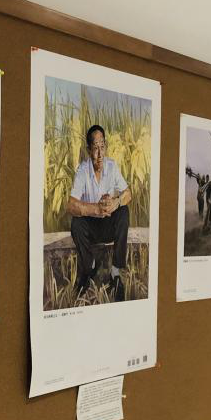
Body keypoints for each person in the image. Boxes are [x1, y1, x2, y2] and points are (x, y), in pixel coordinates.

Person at [67, 124, 131, 302]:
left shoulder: (112, 166)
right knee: (76, 223)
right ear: (89, 150)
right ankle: (90, 267)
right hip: (91, 227)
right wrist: (95, 209)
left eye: (102, 146)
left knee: (124, 212)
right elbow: (71, 205)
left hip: (108, 224)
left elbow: (128, 193)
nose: (100, 153)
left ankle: (115, 272)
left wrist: (115, 203)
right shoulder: (83, 170)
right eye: (95, 148)